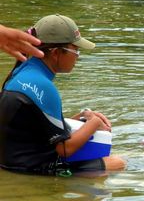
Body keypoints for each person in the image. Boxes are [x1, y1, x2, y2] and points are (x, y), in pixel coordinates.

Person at [0, 14, 125, 176]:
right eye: (76, 50)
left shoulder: (20, 73)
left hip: (11, 162)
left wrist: (82, 118)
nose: (77, 58)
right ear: (56, 53)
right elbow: (65, 149)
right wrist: (93, 123)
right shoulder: (44, 86)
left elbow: (36, 127)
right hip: (32, 169)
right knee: (118, 163)